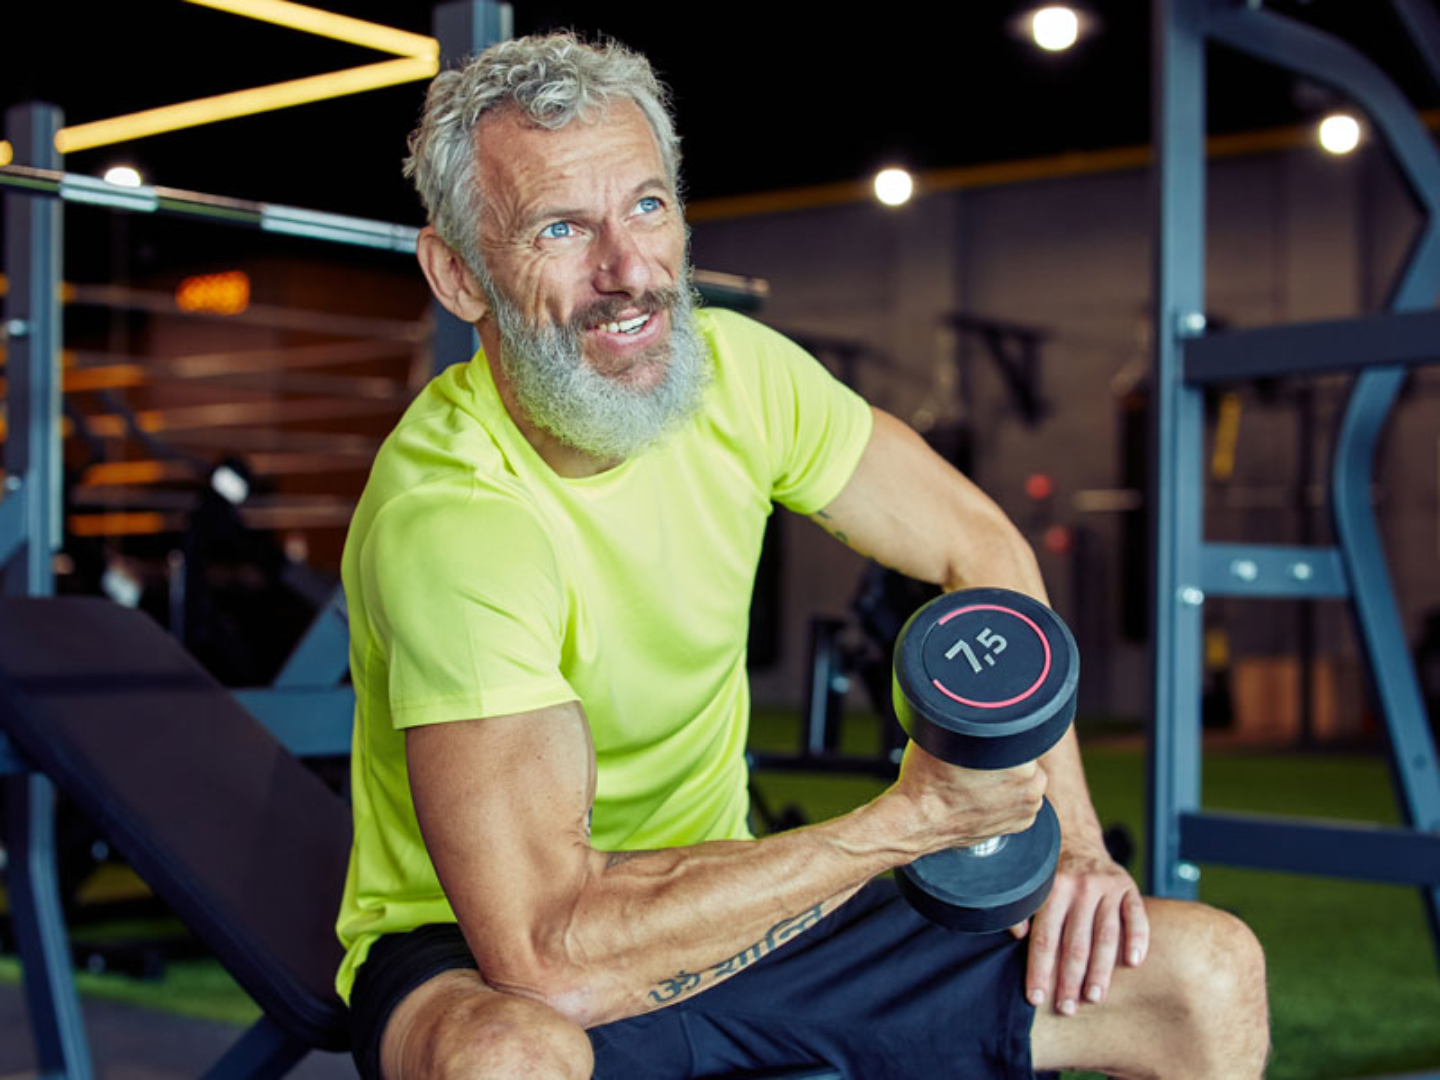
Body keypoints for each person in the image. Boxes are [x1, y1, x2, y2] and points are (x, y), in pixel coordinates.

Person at [336, 32, 1269, 1080]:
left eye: (648, 206)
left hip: (737, 903)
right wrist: (906, 823)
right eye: (562, 227)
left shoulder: (740, 377)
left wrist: (1076, 845)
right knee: (507, 1057)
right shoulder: (455, 520)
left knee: (1205, 975)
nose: (630, 271)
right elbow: (549, 954)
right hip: (474, 948)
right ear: (459, 275)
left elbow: (978, 545)